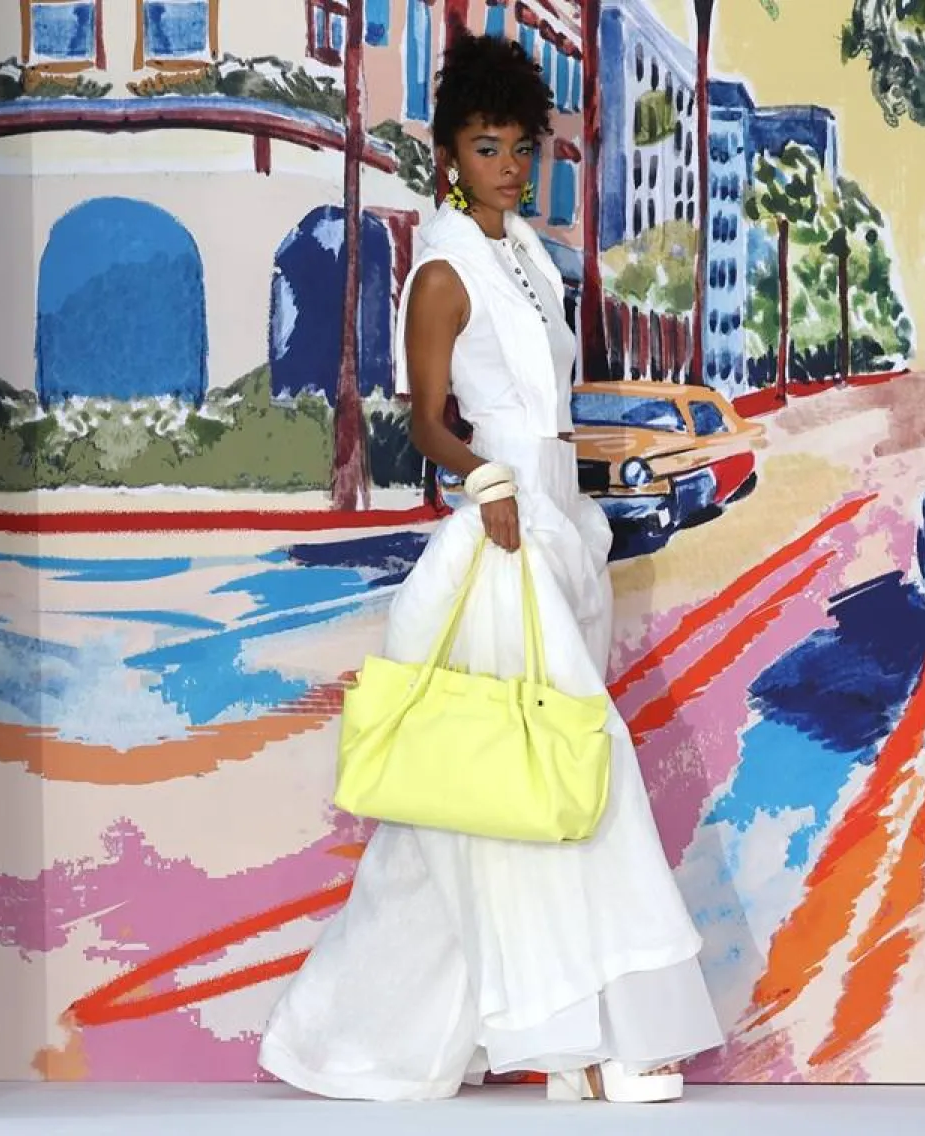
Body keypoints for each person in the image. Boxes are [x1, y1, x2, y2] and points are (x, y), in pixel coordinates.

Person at [257, 29, 723, 1104]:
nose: (505, 163)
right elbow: (426, 422)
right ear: (449, 155)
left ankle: (339, 1032)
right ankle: (587, 1045)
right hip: (503, 533)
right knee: (562, 774)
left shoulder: (531, 259)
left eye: (519, 146)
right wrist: (483, 481)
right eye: (483, 146)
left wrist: (556, 492)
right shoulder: (442, 267)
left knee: (467, 816)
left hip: (561, 526)